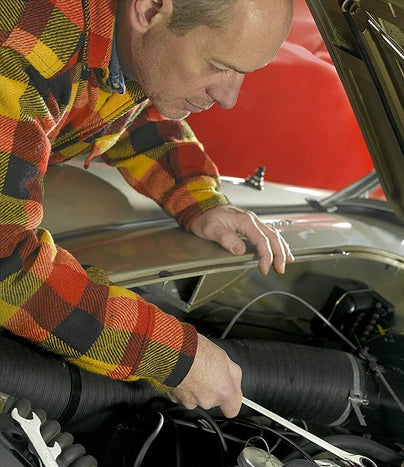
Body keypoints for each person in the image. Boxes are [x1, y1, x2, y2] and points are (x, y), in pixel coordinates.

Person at [0, 0, 294, 419]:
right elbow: (7, 263)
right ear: (150, 8)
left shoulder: (123, 38)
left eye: (243, 73)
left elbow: (122, 110)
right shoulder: (21, 46)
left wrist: (198, 199)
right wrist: (171, 355)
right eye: (218, 66)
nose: (229, 98)